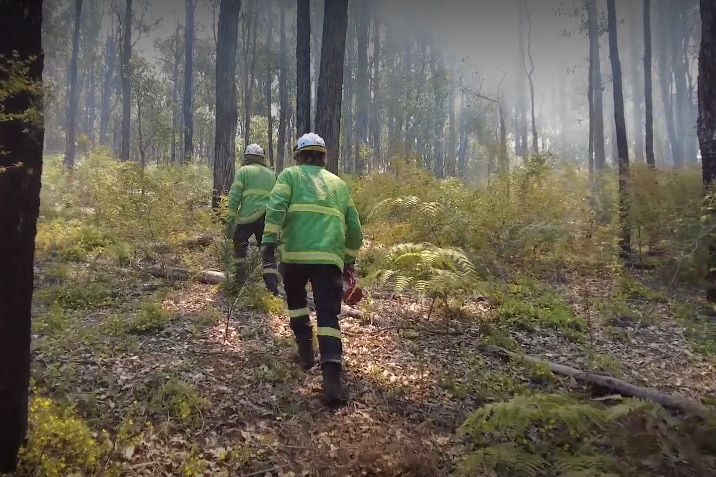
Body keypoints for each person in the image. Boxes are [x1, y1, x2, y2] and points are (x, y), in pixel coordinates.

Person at [260, 132, 363, 405]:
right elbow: (355, 230)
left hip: (294, 257)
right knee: (328, 315)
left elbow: (275, 209)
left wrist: (268, 244)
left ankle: (305, 351)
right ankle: (331, 375)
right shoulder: (339, 185)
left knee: (296, 303)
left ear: (299, 156)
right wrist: (349, 259)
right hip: (328, 259)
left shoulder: (289, 177)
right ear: (323, 157)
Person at [226, 143, 280, 295]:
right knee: (268, 253)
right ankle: (272, 289)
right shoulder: (272, 174)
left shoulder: (243, 171)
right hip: (268, 217)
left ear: (247, 157)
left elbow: (235, 196)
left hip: (247, 217)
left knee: (239, 246)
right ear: (262, 158)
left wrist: (230, 220)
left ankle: (239, 284)